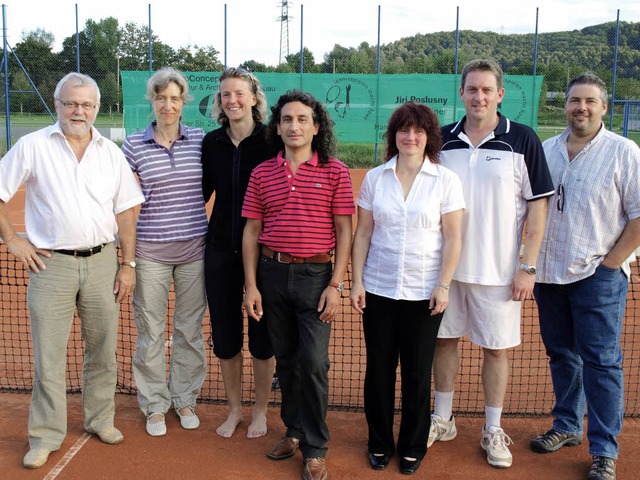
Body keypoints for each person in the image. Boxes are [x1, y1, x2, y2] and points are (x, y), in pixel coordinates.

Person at [0, 72, 145, 469]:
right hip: (50, 265)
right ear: (58, 104)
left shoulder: (110, 153)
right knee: (49, 355)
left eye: (86, 104)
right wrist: (14, 241)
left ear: (96, 108)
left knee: (103, 350)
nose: (78, 111)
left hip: (102, 263)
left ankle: (100, 420)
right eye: (71, 103)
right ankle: (45, 435)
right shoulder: (32, 146)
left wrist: (128, 264)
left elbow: (126, 212)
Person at [430, 58, 555, 468]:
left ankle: (492, 428)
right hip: (445, 271)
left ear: (500, 94)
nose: (479, 96)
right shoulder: (442, 140)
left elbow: (538, 209)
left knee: (496, 350)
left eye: (487, 90)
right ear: (462, 93)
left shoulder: (523, 139)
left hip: (500, 273)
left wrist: (528, 266)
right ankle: (443, 419)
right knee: (444, 342)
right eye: (472, 89)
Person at [530, 73, 640, 480]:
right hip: (549, 273)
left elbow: (639, 215)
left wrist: (611, 264)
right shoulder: (546, 150)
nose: (582, 107)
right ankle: (567, 425)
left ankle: (604, 450)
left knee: (602, 361)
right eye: (575, 100)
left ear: (604, 107)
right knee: (562, 353)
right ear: (566, 105)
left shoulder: (624, 152)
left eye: (590, 101)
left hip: (599, 274)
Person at [242, 90, 354, 480]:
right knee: (286, 360)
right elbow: (252, 231)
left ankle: (315, 448)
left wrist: (336, 284)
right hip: (272, 277)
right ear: (277, 126)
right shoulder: (262, 173)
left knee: (314, 363)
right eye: (287, 119)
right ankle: (293, 430)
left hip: (316, 279)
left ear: (316, 126)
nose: (294, 125)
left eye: (303, 119)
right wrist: (251, 286)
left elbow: (345, 230)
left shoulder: (335, 171)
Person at [350, 102, 464, 475]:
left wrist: (443, 285)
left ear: (429, 136)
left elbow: (453, 237)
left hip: (424, 293)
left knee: (417, 373)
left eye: (418, 131)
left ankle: (413, 446)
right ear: (394, 135)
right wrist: (357, 281)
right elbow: (363, 232)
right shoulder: (375, 178)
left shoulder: (445, 180)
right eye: (404, 129)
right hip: (379, 290)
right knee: (379, 370)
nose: (410, 136)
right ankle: (379, 443)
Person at [121, 67, 208, 437]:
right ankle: (155, 404)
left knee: (189, 330)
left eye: (174, 98)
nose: (167, 105)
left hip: (196, 250)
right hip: (150, 253)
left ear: (183, 101)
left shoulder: (202, 140)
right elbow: (119, 197)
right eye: (160, 98)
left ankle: (184, 397)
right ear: (152, 101)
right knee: (151, 331)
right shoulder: (133, 144)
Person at [201, 67, 277, 439]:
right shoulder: (211, 143)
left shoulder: (271, 140)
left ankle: (261, 410)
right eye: (226, 94)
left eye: (239, 93)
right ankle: (234, 410)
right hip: (218, 254)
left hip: (264, 257)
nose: (232, 100)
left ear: (253, 97)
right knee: (226, 336)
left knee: (262, 339)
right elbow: (199, 195)